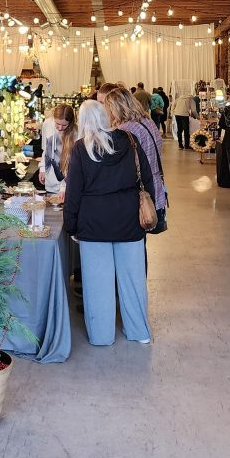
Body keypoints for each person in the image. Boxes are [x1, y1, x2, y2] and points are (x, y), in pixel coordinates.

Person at [63, 100, 155, 345]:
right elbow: (147, 178)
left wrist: (71, 225)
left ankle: (101, 336)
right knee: (133, 282)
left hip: (93, 224)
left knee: (97, 285)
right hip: (129, 221)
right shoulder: (130, 141)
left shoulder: (82, 148)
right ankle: (139, 332)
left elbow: (73, 193)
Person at [101, 85, 167, 215]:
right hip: (154, 186)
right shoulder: (146, 120)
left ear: (115, 108)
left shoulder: (126, 129)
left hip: (138, 192)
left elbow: (123, 166)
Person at [39, 104, 76, 196]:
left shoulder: (76, 132)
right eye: (57, 123)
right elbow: (45, 150)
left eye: (64, 125)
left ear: (70, 122)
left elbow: (74, 163)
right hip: (50, 181)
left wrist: (64, 186)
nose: (60, 128)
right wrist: (42, 168)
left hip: (68, 182)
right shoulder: (47, 124)